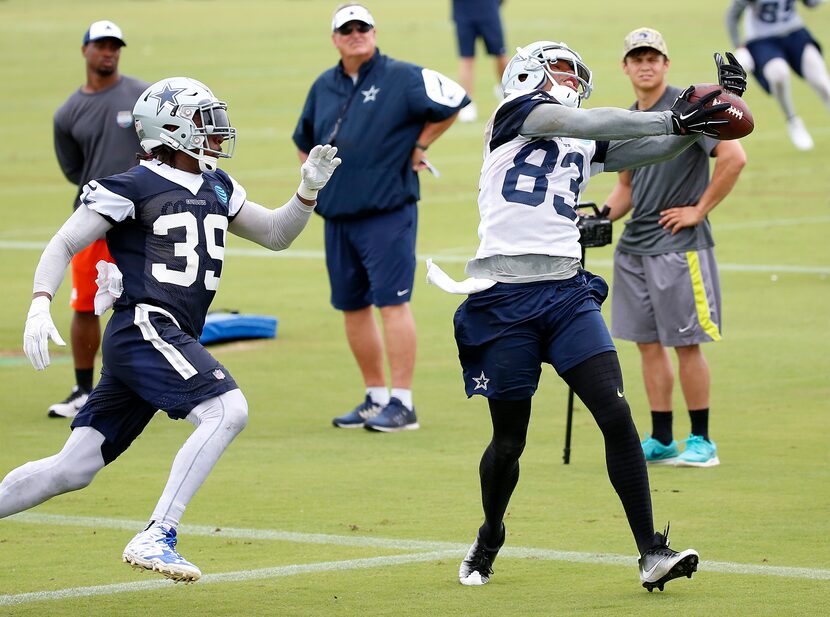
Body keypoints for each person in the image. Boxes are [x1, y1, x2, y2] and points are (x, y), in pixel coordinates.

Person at [426, 40, 744, 590]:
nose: (570, 80)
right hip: (504, 299)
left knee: (616, 415)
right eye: (561, 68)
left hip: (566, 294)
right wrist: (674, 113)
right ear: (527, 72)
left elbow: (654, 148)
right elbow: (594, 118)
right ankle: (490, 533)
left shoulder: (577, 133)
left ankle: (651, 551)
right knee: (510, 441)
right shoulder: (516, 113)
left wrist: (706, 117)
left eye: (576, 73)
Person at [5, 77, 341, 582]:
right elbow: (64, 243)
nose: (216, 130)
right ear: (171, 127)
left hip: (163, 334)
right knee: (227, 409)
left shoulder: (217, 184)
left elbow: (276, 234)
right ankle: (158, 531)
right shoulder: (133, 184)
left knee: (73, 468)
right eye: (204, 119)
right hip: (146, 326)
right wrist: (38, 303)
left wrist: (307, 190)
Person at [293, 3, 470, 432]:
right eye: (347, 29)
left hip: (388, 211)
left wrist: (421, 145)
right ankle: (375, 397)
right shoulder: (324, 85)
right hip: (337, 215)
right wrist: (312, 182)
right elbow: (304, 139)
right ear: (335, 38)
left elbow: (454, 101)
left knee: (392, 303)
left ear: (374, 33)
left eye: (363, 27)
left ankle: (403, 402)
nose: (356, 34)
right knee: (352, 307)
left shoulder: (401, 76)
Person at [605, 28, 747, 469]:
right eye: (637, 57)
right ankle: (662, 437)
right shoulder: (628, 119)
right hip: (634, 249)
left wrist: (698, 210)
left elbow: (734, 156)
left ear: (666, 64)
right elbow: (625, 187)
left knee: (686, 344)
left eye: (653, 57)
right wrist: (594, 218)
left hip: (678, 245)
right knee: (647, 345)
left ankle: (702, 440)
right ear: (625, 67)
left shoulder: (690, 109)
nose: (645, 64)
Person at [49, 20, 150, 419]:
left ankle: (153, 383)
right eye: (101, 45)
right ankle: (83, 389)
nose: (109, 52)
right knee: (86, 306)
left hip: (142, 218)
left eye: (115, 46)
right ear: (85, 51)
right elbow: (75, 169)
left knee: (150, 300)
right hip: (92, 218)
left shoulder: (142, 94)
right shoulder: (67, 112)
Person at [727, 0, 830, 150]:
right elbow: (732, 15)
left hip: (795, 32)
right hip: (762, 39)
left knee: (822, 82)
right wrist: (739, 46)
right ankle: (792, 120)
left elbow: (811, 3)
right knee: (778, 74)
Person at [452, 0, 509, 122]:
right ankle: (467, 103)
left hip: (489, 12)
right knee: (466, 58)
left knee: (501, 55)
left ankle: (506, 90)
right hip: (463, 14)